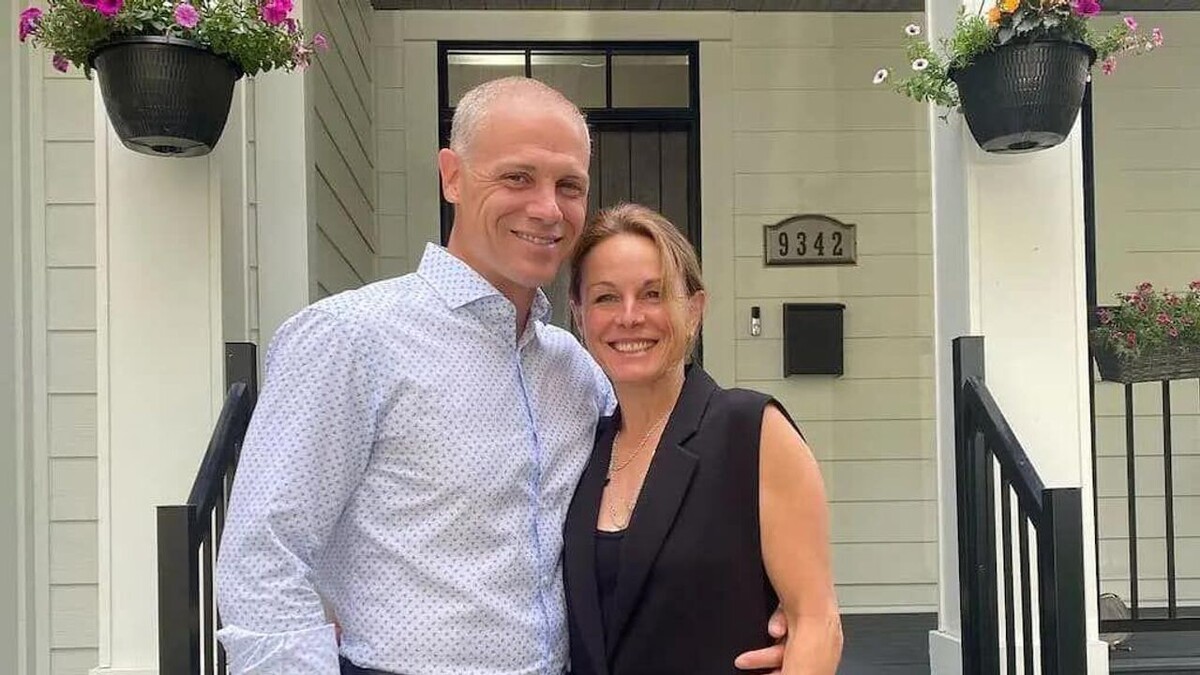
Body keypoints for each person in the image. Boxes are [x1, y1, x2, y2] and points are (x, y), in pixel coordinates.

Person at [214, 77, 788, 674]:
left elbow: (660, 507)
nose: (547, 209)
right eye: (517, 177)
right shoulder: (350, 339)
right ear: (452, 176)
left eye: (569, 186)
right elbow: (263, 558)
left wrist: (776, 603)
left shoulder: (576, 370)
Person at [563, 203, 843, 674]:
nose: (629, 317)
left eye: (653, 294)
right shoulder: (583, 448)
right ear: (579, 315)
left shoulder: (751, 432)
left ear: (694, 310)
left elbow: (817, 623)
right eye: (606, 298)